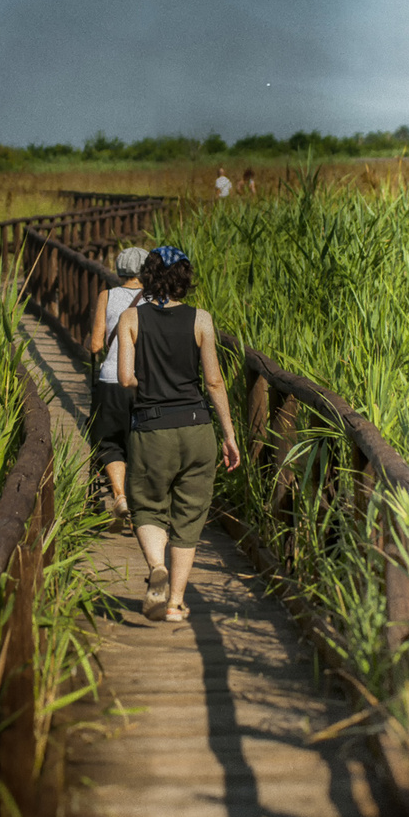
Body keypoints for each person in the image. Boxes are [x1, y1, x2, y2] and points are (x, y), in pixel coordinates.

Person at [117, 246, 240, 621]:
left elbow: (125, 379)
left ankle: (157, 566)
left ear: (149, 276)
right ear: (185, 278)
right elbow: (215, 382)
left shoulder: (130, 318)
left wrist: (148, 380)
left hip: (153, 429)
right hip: (197, 426)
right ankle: (175, 604)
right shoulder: (201, 319)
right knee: (189, 516)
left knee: (149, 506)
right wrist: (230, 435)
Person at [89, 246, 149, 523]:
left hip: (112, 379)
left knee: (110, 442)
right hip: (143, 382)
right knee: (141, 441)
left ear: (120, 269)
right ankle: (144, 501)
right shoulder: (154, 300)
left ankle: (119, 495)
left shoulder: (107, 296)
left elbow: (96, 344)